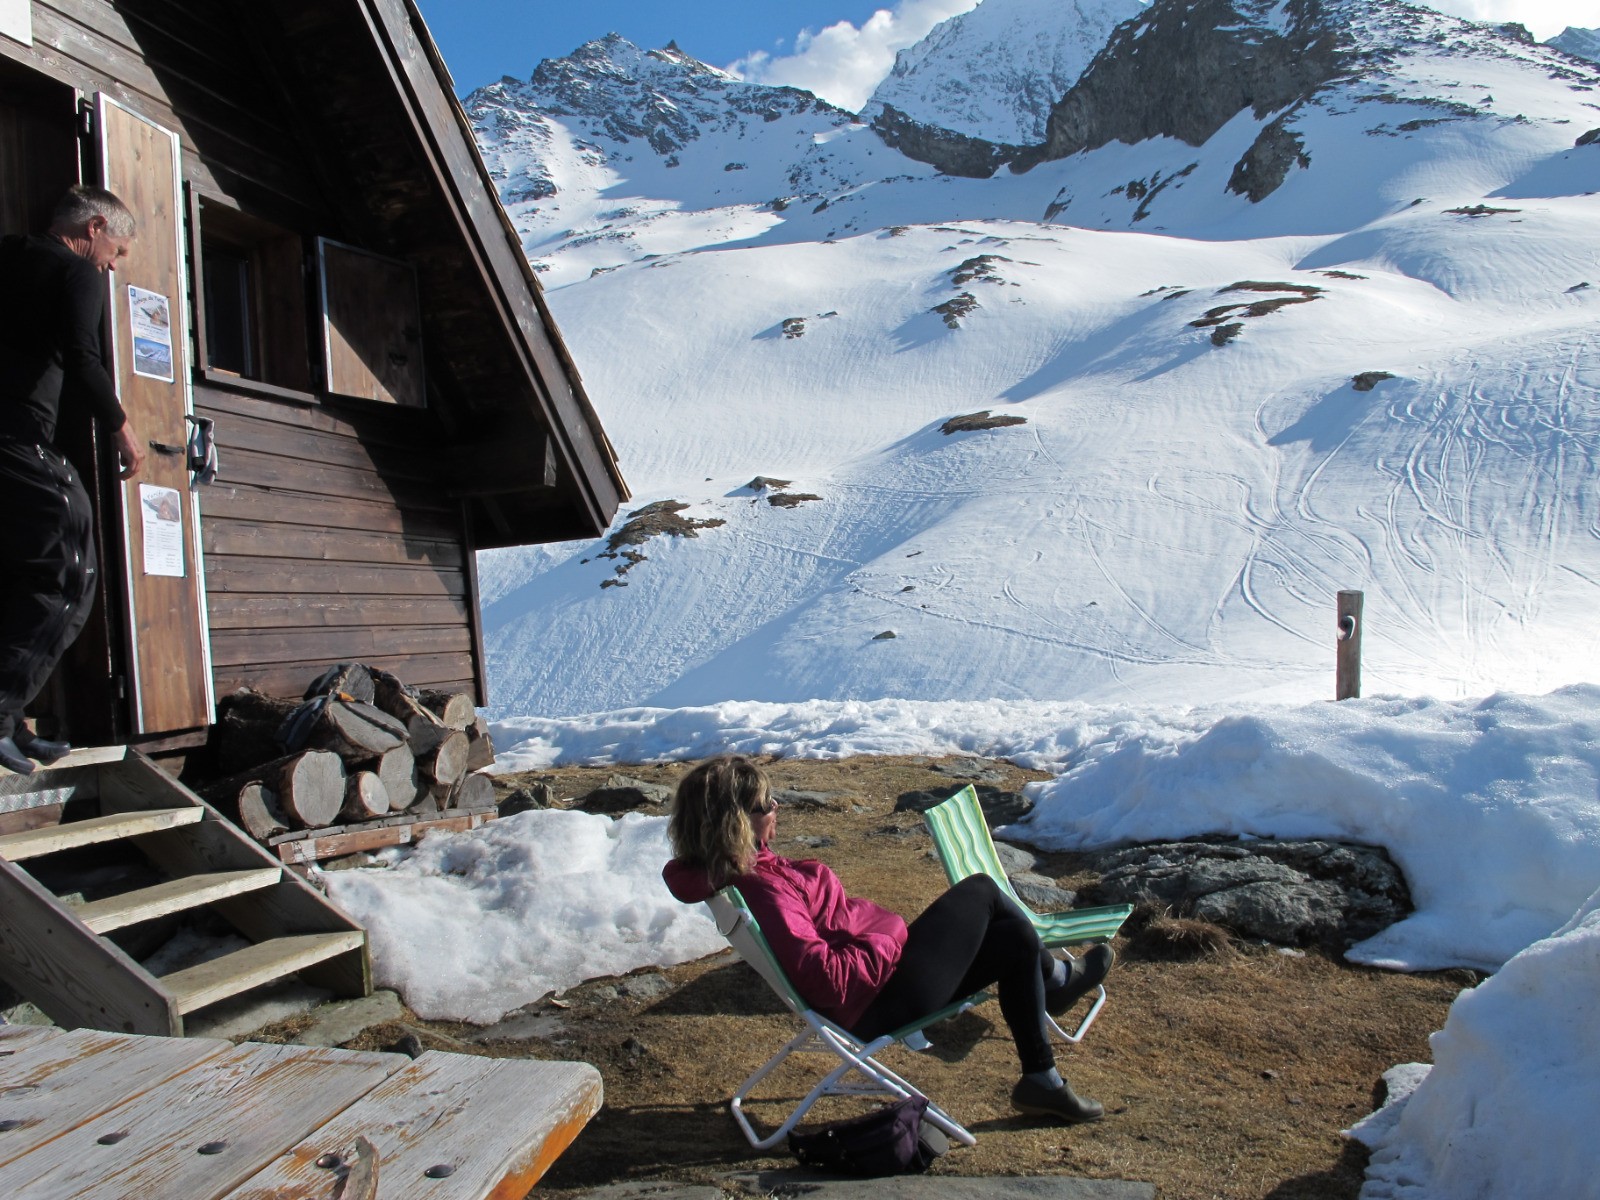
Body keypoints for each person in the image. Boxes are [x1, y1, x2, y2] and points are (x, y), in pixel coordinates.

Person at [662, 755, 1115, 1124]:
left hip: (877, 984)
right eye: (766, 805)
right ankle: (1056, 983)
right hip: (874, 1002)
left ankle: (1043, 1078)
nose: (777, 808)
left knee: (1013, 935)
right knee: (980, 890)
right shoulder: (762, 886)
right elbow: (828, 980)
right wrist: (888, 931)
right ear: (736, 821)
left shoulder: (746, 870)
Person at [0, 185, 144, 774]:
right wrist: (122, 429)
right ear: (92, 229)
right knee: (71, 571)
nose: (117, 262)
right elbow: (83, 356)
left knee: (21, 569)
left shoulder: (8, 255)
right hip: (20, 438)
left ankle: (11, 719)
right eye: (118, 248)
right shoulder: (77, 273)